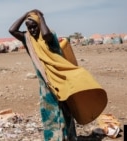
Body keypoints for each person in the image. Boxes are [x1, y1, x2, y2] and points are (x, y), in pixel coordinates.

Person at [9, 9, 77, 141]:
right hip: (45, 84)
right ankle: (53, 138)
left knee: (66, 110)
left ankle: (69, 137)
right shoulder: (28, 39)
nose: (32, 30)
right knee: (49, 112)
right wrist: (26, 14)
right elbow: (12, 30)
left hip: (59, 80)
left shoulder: (49, 38)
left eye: (35, 26)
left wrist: (40, 17)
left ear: (40, 25)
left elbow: (45, 34)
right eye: (29, 28)